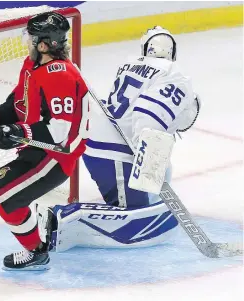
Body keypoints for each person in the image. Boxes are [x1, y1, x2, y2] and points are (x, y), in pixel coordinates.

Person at [0, 11, 89, 292]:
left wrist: (21, 133)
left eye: (32, 38)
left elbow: (59, 132)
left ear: (44, 44)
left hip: (54, 159)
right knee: (13, 202)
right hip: (36, 153)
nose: (28, 42)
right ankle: (36, 252)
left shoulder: (60, 75)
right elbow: (18, 105)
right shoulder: (33, 66)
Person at [39, 26, 201, 252]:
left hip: (100, 141)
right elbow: (147, 116)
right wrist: (146, 161)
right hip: (115, 153)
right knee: (134, 218)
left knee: (163, 170)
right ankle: (64, 218)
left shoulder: (132, 63)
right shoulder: (175, 75)